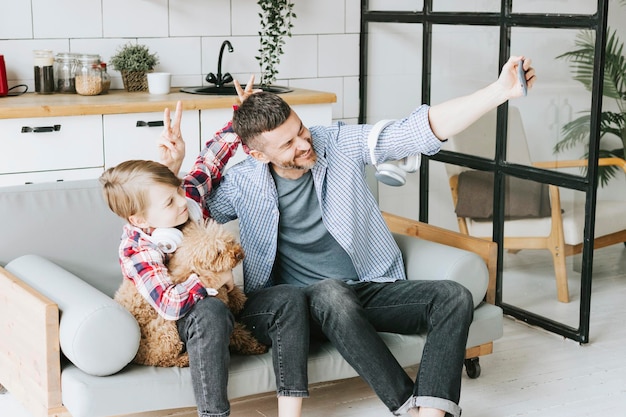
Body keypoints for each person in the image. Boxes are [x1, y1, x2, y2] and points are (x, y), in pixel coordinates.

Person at [160, 57, 536, 417]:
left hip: (363, 290)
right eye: (288, 144)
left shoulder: (336, 143)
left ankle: (431, 412)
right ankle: (405, 404)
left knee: (453, 296)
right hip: (293, 310)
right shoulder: (242, 183)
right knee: (329, 291)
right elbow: (180, 217)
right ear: (259, 156)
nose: (304, 144)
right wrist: (171, 170)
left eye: (300, 130)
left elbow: (416, 130)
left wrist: (498, 91)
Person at [100, 80, 309, 417]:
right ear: (139, 219)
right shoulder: (138, 248)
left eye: (178, 192)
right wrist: (214, 279)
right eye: (169, 201)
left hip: (226, 305)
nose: (182, 202)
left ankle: (290, 410)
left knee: (291, 297)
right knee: (210, 310)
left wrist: (243, 116)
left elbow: (210, 163)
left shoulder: (185, 203)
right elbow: (169, 303)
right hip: (181, 322)